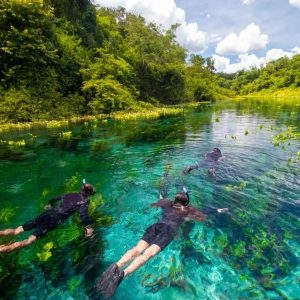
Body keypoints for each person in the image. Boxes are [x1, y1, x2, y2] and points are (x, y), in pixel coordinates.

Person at [96, 191, 228, 298]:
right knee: (147, 255)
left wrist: (162, 199)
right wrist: (218, 211)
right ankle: (123, 274)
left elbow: (156, 203)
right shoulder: (189, 209)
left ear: (175, 200)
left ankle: (116, 266)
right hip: (168, 231)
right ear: (186, 202)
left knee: (137, 249)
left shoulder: (167, 203)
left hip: (156, 226)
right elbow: (204, 216)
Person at [0, 183, 96, 253]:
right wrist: (88, 227)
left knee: (17, 230)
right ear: (89, 193)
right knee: (30, 240)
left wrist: (49, 204)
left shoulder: (70, 194)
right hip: (54, 220)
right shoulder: (85, 202)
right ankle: (4, 249)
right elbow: (83, 215)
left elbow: (55, 198)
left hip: (48, 213)